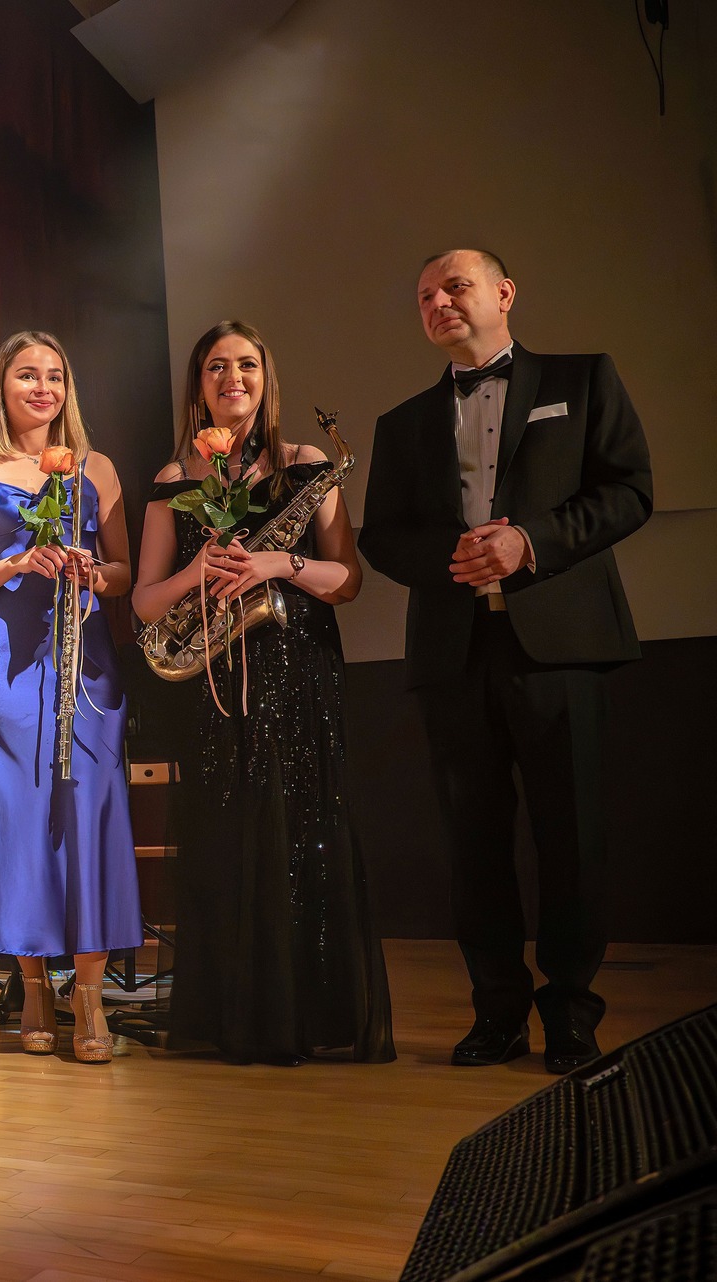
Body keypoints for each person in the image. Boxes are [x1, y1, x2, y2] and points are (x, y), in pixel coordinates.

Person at [360, 250, 652, 1075]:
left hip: (562, 645)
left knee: (573, 840)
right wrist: (450, 558)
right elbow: (383, 536)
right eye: (425, 296)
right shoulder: (402, 422)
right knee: (474, 845)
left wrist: (530, 542)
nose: (439, 303)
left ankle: (572, 1015)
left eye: (455, 286)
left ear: (504, 293)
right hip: (455, 655)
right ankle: (496, 1013)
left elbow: (630, 490)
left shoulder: (584, 379)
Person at [133, 320, 393, 1066]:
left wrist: (279, 565)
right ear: (199, 384)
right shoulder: (174, 480)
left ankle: (305, 1015)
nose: (233, 378)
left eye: (246, 364)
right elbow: (145, 602)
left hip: (299, 673)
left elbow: (347, 580)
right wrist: (199, 571)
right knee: (224, 840)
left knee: (301, 836)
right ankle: (236, 1019)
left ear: (265, 377)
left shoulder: (307, 465)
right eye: (216, 366)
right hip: (216, 684)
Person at [0, 332, 140, 1063]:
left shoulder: (99, 467)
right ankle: (32, 987)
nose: (42, 388)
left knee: (92, 818)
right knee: (19, 823)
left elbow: (125, 573)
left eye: (54, 376)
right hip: (6, 668)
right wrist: (18, 563)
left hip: (84, 665)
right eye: (27, 375)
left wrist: (93, 571)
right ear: (1, 386)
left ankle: (88, 996)